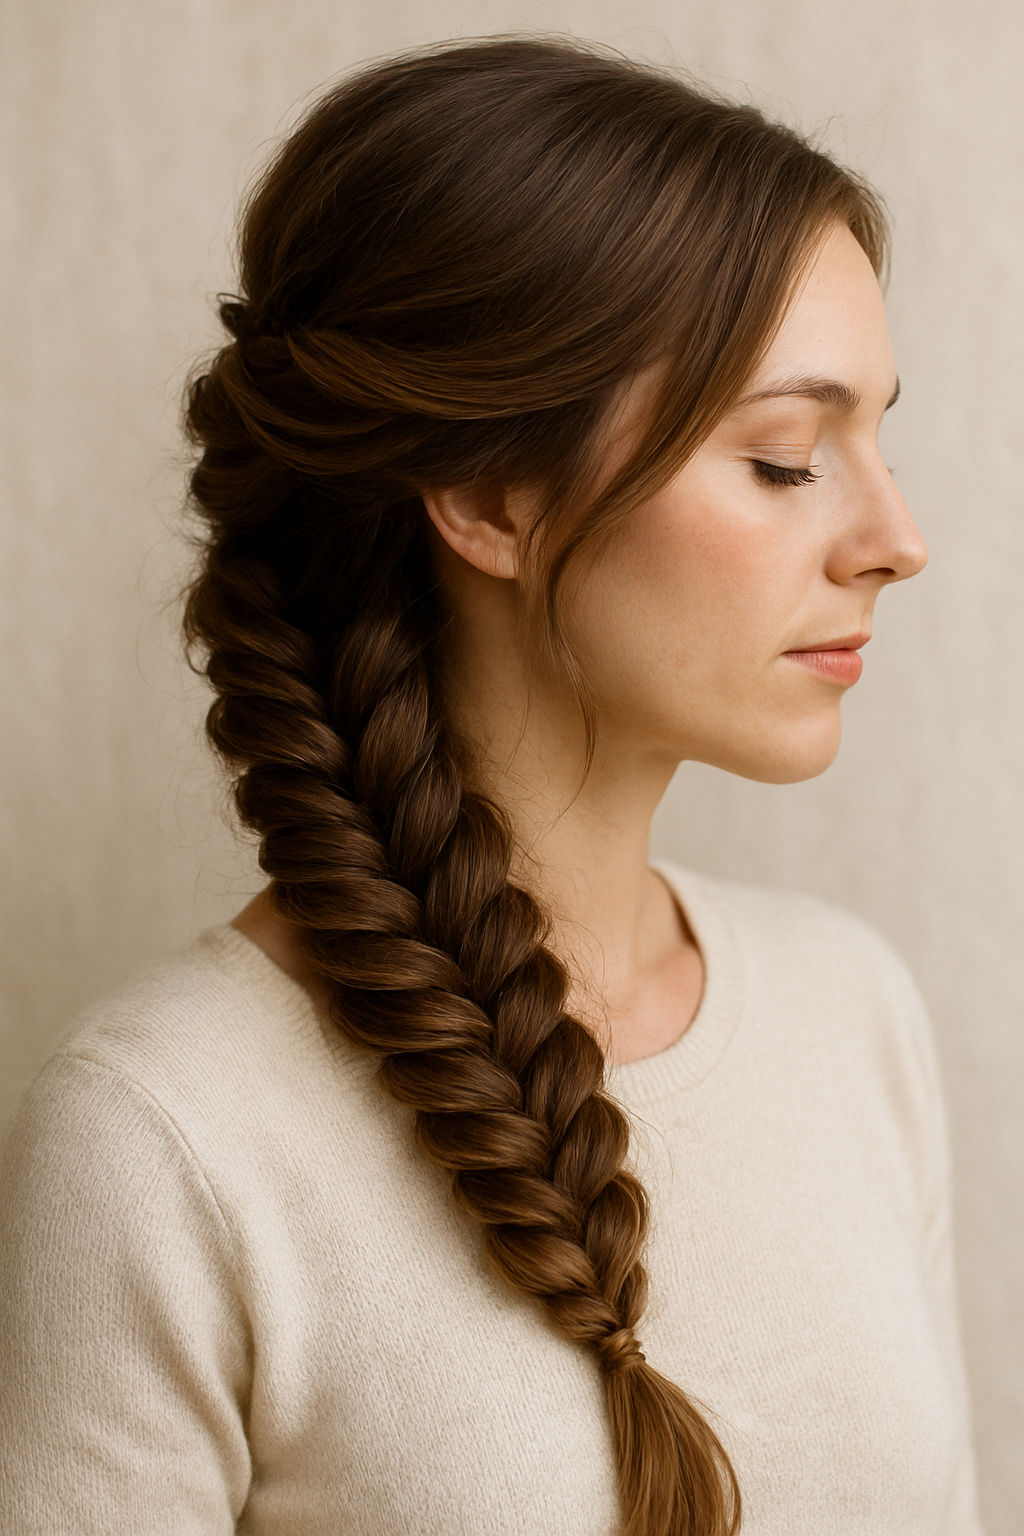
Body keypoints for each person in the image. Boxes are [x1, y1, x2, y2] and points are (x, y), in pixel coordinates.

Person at [0, 35, 982, 1536]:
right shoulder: (161, 1137)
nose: (897, 537)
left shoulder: (856, 1016)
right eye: (786, 457)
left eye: (879, 437)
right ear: (488, 496)